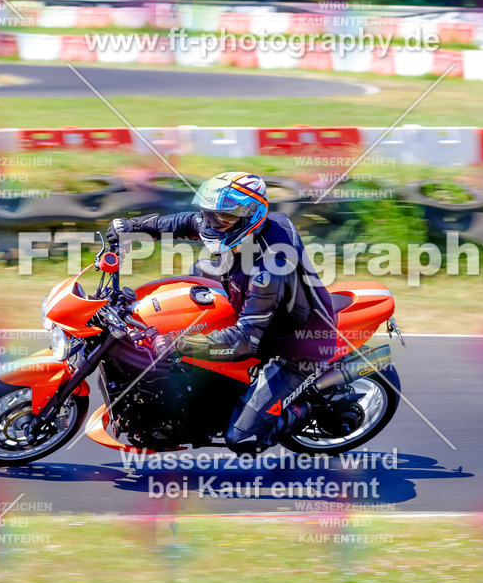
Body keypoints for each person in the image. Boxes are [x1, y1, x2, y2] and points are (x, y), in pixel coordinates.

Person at [106, 171, 336, 454]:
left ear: (251, 216)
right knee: (190, 286)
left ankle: (300, 409)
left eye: (224, 218)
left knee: (242, 439)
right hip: (248, 300)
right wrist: (135, 226)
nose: (212, 224)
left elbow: (244, 341)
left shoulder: (268, 269)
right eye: (209, 215)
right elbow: (186, 222)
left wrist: (177, 344)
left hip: (294, 346)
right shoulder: (239, 231)